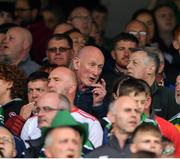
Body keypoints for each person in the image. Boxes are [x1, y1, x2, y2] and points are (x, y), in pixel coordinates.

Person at [48, 67, 103, 149]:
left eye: (56, 80)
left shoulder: (91, 124)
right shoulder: (33, 122)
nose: (49, 85)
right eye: (49, 80)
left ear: (72, 88)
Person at [127, 47, 180, 120]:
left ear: (151, 69)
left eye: (135, 63)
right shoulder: (122, 92)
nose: (128, 66)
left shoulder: (170, 96)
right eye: (128, 62)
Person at [72, 45, 107, 118]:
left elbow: (103, 127)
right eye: (92, 65)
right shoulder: (63, 88)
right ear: (76, 63)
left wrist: (98, 105)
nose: (96, 72)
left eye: (100, 67)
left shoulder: (101, 95)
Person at [102, 33, 138, 101]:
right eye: (121, 49)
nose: (126, 54)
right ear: (113, 54)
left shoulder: (143, 77)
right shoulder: (104, 81)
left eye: (131, 49)